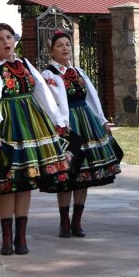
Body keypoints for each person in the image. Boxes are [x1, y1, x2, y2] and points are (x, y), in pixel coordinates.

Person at [0, 23, 70, 255]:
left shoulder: (25, 64)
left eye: (9, 38)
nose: (6, 42)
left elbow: (42, 92)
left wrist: (57, 120)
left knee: (26, 180)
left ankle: (21, 236)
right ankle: (7, 238)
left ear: (15, 40)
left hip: (30, 124)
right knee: (7, 182)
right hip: (4, 125)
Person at [40, 31, 122, 238]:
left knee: (84, 174)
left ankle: (77, 221)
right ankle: (64, 222)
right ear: (51, 50)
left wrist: (102, 120)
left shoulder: (78, 72)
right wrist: (58, 125)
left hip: (86, 122)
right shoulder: (48, 75)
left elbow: (92, 97)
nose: (65, 48)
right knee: (66, 175)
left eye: (68, 44)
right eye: (60, 45)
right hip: (66, 126)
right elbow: (47, 104)